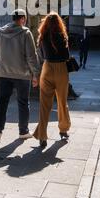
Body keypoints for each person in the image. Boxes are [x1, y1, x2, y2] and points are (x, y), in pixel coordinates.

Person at [0, 9, 40, 144]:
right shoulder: (26, 33)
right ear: (23, 19)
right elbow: (31, 56)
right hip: (22, 74)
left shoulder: (1, 32)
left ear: (13, 18)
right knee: (23, 102)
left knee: (2, 101)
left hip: (3, 73)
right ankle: (23, 131)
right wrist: (35, 74)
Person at [33, 12, 71, 148]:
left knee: (44, 105)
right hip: (61, 69)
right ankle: (63, 130)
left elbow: (42, 55)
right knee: (62, 101)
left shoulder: (42, 37)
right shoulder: (62, 36)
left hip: (47, 68)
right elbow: (67, 56)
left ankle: (42, 136)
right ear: (59, 23)